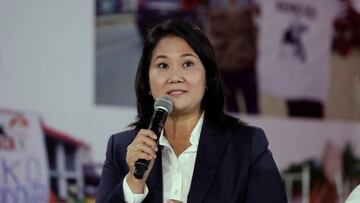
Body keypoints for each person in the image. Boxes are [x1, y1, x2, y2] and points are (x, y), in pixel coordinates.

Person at [96, 19, 287, 203]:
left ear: (207, 78)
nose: (175, 76)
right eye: (163, 65)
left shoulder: (247, 147)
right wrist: (133, 181)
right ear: (147, 81)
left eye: (187, 64)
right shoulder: (121, 149)